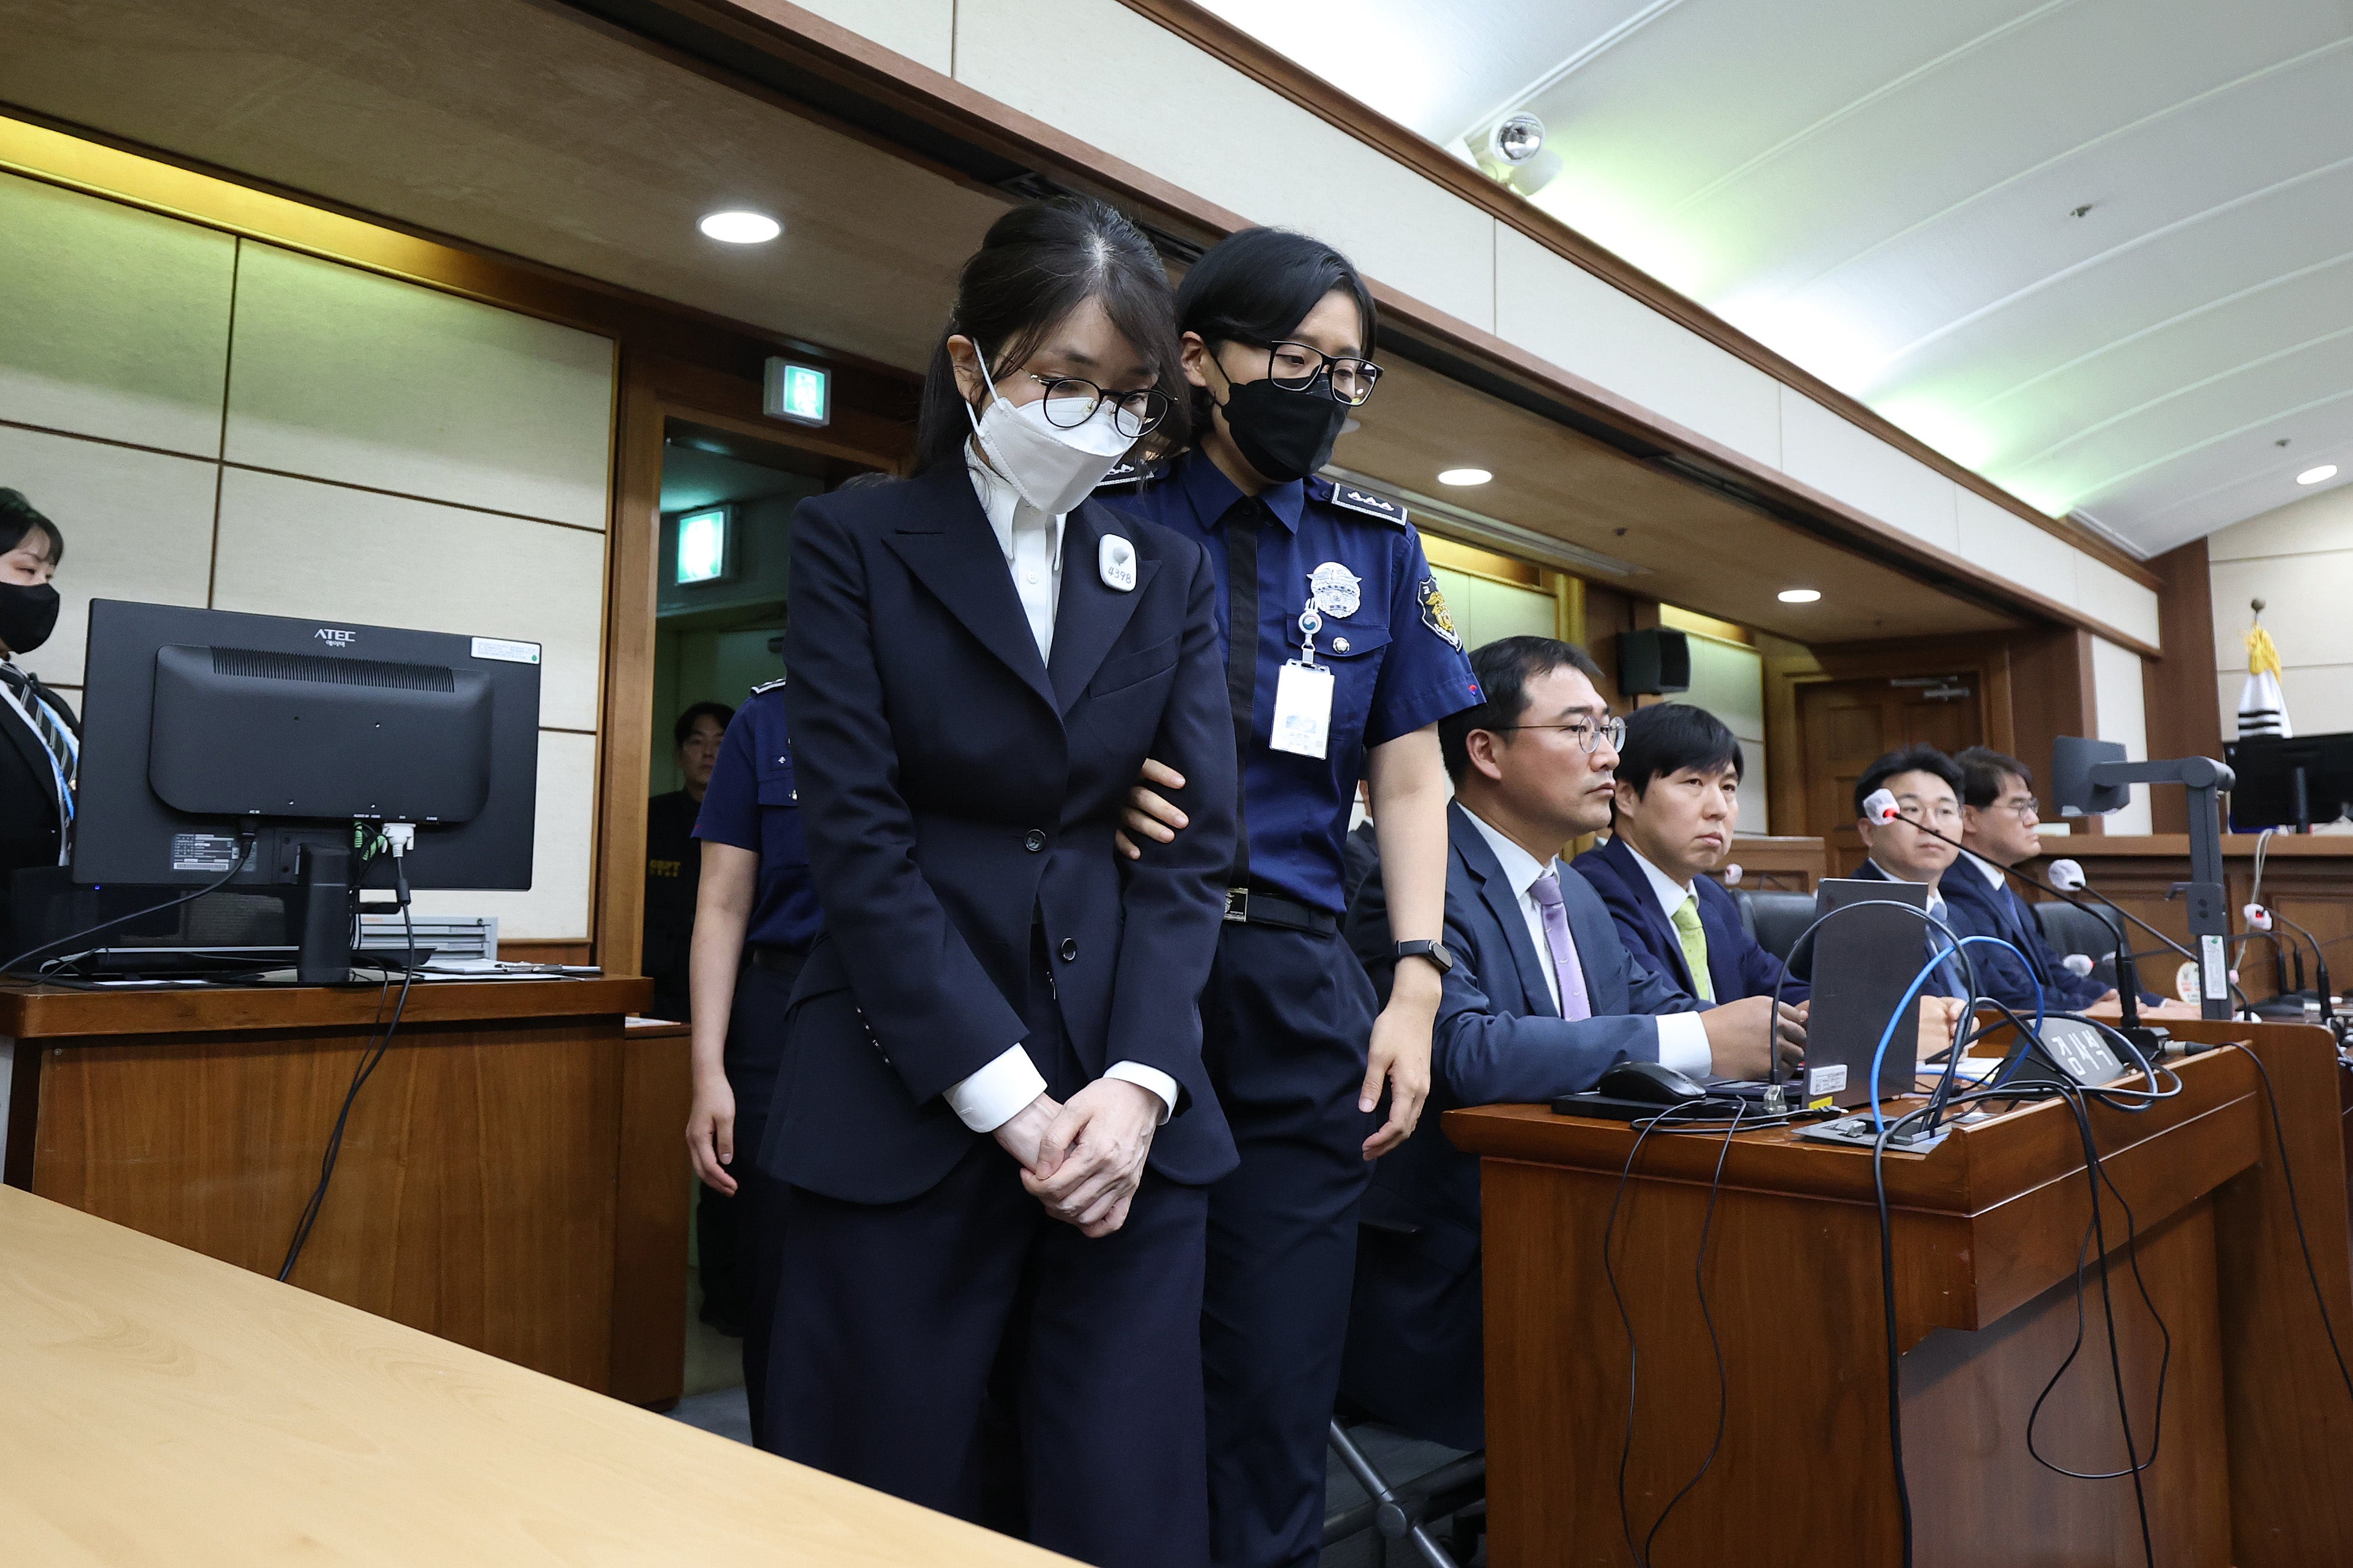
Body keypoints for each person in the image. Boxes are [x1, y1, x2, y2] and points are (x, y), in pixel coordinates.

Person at [760, 196, 1238, 1568]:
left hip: (1126, 1113)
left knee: (1123, 1501)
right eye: (1062, 385)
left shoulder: (1170, 570)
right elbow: (857, 840)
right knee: (876, 1496)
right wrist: (1015, 1104)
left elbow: (1193, 849)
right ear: (972, 367)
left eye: (1128, 398)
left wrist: (1141, 1082)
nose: (1094, 425)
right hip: (909, 1087)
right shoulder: (856, 540)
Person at [1101, 227, 1481, 1568]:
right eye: (1292, 356)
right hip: (1116, 978)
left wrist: (1417, 982)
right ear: (1199, 357)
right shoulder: (1103, 519)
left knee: (1277, 1377)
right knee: (1113, 1362)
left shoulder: (1373, 545)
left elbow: (1416, 785)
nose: (1318, 390)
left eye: (1348, 370)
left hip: (1297, 982)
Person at [1339, 637, 1802, 1450]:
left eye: (1609, 731)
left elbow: (1670, 1013)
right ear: (1485, 749)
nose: (1605, 756)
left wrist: (1804, 1034)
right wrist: (1700, 1034)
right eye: (1580, 730)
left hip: (1586, 1247)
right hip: (1466, 1281)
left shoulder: (1574, 893)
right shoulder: (1416, 876)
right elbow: (1465, 1053)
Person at [680, 683, 812, 1433]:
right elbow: (722, 907)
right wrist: (708, 1071)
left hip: (914, 1014)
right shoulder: (767, 720)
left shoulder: (945, 696)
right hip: (781, 1015)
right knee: (778, 1276)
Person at [1573, 701, 1807, 1008]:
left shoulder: (1712, 898)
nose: (1719, 810)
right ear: (1627, 796)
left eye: (1728, 787)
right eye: (1694, 783)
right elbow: (1658, 1011)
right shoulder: (1592, 890)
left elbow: (1782, 989)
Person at [1946, 745, 2190, 1020]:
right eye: (2019, 808)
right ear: (1968, 818)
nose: (2034, 820)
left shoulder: (2003, 892)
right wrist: (2091, 1012)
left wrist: (2160, 1006)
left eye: (2032, 806)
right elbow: (2010, 994)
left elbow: (2059, 978)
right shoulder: (1957, 890)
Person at [1849, 746, 1972, 1036]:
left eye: (1945, 811)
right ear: (1868, 831)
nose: (1932, 826)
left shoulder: (1959, 917)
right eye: (1911, 811)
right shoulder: (1857, 913)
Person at [0, 490, 75, 944]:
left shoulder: (41, 700)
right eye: (27, 570)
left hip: (49, 936)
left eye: (50, 574)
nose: (44, 588)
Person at [644, 701, 734, 1025]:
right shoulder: (649, 818)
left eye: (721, 743)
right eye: (697, 742)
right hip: (659, 982)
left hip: (732, 981)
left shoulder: (755, 822)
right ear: (680, 754)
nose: (709, 753)